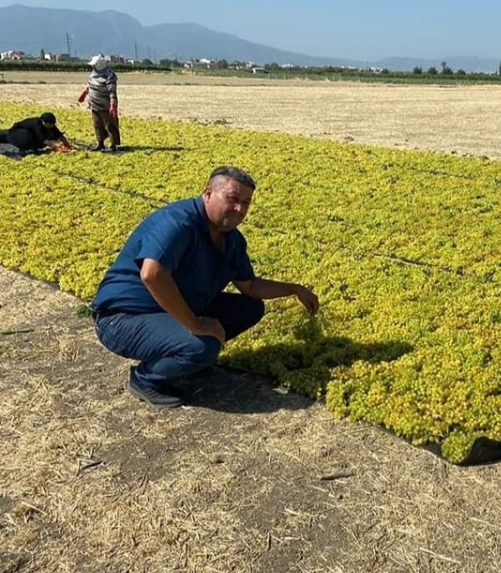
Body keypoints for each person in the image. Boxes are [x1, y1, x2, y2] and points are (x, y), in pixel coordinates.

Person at [90, 165, 320, 407]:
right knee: (203, 344)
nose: (239, 209)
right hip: (123, 317)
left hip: (173, 308)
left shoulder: (231, 239)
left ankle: (189, 360)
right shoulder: (178, 222)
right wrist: (196, 324)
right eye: (232, 199)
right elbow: (152, 274)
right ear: (208, 193)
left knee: (250, 308)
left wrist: (294, 289)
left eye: (246, 202)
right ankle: (147, 379)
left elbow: (250, 286)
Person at [77, 54, 121, 151]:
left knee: (109, 125)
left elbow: (112, 91)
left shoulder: (109, 76)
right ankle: (100, 143)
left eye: (93, 65)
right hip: (94, 104)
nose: (92, 67)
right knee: (97, 124)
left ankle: (114, 145)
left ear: (99, 65)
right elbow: (90, 86)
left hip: (105, 105)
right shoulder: (93, 74)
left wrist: (113, 104)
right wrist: (84, 94)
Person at [0, 112, 74, 159]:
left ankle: (32, 147)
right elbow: (44, 140)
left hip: (28, 136)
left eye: (53, 124)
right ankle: (22, 148)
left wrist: (68, 146)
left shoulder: (50, 125)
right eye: (50, 124)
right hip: (15, 135)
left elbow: (59, 136)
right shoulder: (37, 125)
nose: (52, 126)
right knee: (28, 134)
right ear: (44, 122)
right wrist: (57, 147)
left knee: (50, 135)